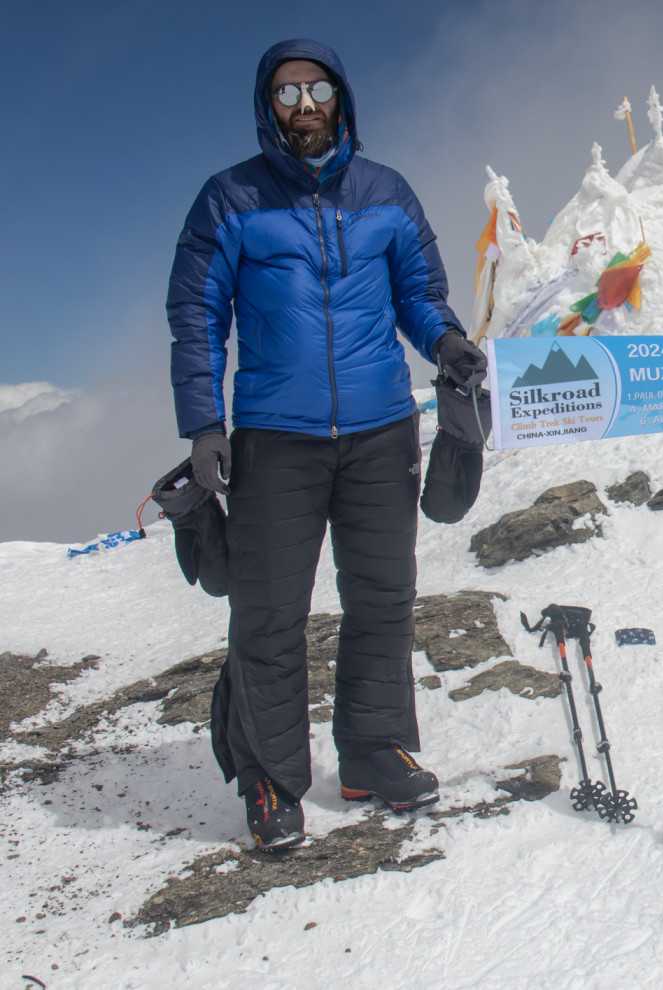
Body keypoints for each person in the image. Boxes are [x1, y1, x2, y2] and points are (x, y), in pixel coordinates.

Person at [167, 39, 486, 851]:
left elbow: (417, 292)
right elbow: (198, 319)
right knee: (268, 611)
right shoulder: (228, 199)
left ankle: (372, 751)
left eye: (316, 88)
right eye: (286, 93)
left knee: (382, 597)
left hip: (382, 430)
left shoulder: (386, 193)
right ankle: (271, 782)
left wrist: (445, 340)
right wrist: (205, 424)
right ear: (267, 106)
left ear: (340, 97)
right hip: (276, 438)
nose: (303, 104)